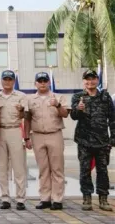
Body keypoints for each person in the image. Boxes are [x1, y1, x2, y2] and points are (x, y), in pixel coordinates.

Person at [70, 69, 114, 211]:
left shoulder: (105, 97)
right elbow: (74, 116)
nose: (90, 82)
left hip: (102, 141)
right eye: (87, 79)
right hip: (84, 141)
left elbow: (113, 119)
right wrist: (78, 109)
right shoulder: (78, 97)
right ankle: (86, 198)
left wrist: (113, 138)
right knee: (85, 170)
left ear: (97, 80)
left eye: (93, 79)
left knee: (102, 170)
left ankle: (103, 198)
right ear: (84, 81)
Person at [24, 72, 69, 210]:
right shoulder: (30, 99)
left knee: (57, 168)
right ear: (35, 83)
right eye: (40, 81)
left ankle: (57, 199)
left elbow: (65, 114)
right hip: (37, 136)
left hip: (54, 134)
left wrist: (57, 105)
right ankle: (45, 198)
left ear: (49, 82)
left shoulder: (58, 97)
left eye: (45, 80)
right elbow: (27, 119)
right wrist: (26, 137)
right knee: (43, 169)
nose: (42, 83)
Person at [0, 70, 27, 210]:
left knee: (18, 166)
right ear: (1, 81)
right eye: (5, 79)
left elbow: (25, 116)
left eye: (10, 79)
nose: (7, 82)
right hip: (0, 131)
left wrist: (21, 110)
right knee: (2, 167)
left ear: (14, 81)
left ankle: (20, 198)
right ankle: (5, 198)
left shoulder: (21, 96)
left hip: (15, 129)